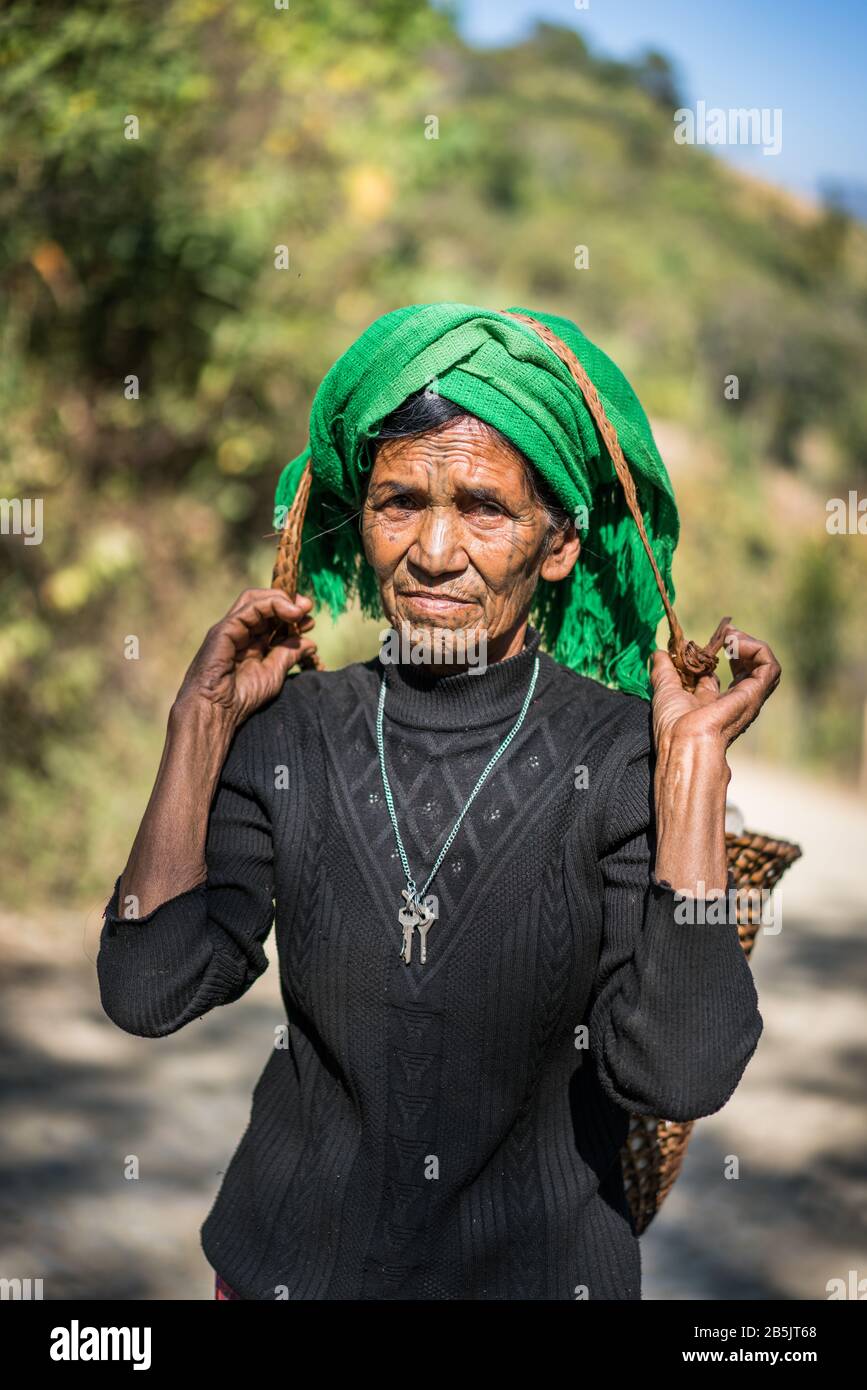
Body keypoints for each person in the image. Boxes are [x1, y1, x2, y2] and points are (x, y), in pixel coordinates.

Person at [97, 303, 780, 1301]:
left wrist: (689, 771)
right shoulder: (294, 733)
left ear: (556, 545)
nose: (433, 550)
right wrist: (197, 727)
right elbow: (148, 987)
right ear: (360, 520)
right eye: (399, 501)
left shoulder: (619, 755)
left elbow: (679, 1072)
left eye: (484, 508)